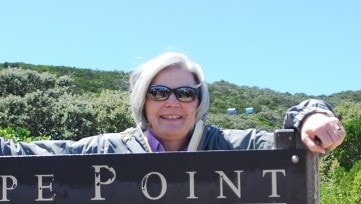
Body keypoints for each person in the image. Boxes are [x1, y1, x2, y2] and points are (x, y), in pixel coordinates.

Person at [0, 52, 345, 155]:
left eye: (185, 93)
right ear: (143, 101)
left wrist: (312, 115)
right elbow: (29, 156)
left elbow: (291, 138)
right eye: (159, 92)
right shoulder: (109, 149)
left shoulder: (233, 146)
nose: (172, 102)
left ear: (198, 101)